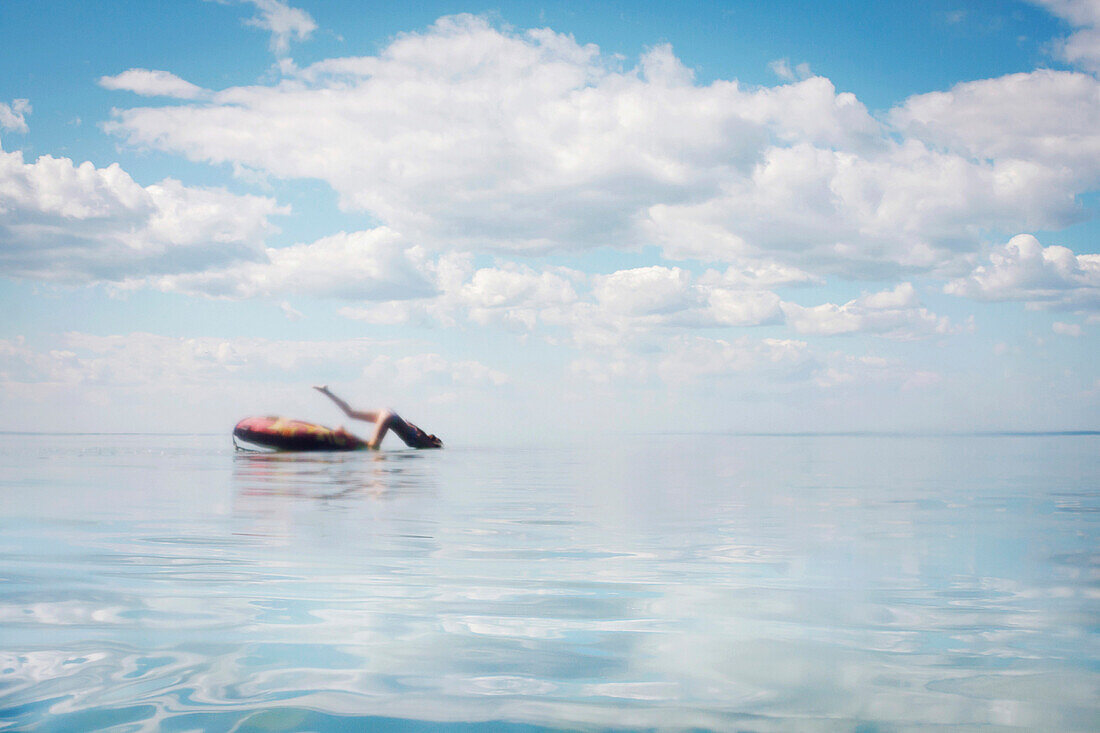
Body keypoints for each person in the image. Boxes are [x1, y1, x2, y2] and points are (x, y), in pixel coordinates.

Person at [313, 385, 443, 449]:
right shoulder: (426, 444)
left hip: (388, 414)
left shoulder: (422, 437)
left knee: (351, 413)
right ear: (434, 443)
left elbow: (410, 425)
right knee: (373, 447)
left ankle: (327, 392)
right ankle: (341, 433)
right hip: (390, 418)